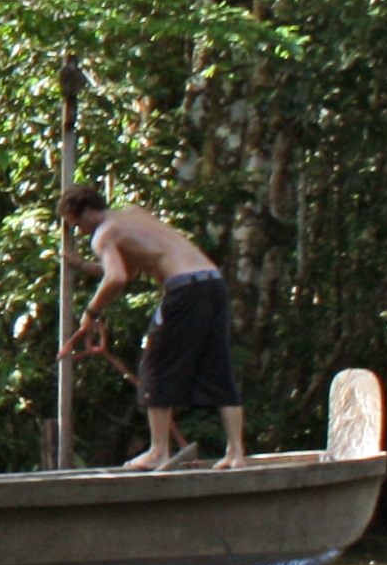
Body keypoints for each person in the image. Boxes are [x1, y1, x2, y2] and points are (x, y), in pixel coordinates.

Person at [58, 182, 247, 469]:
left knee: (155, 363)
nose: (80, 232)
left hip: (184, 290)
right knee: (217, 366)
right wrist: (82, 266)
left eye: (76, 225)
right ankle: (236, 453)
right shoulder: (134, 214)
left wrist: (91, 312)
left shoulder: (103, 234)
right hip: (212, 282)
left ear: (84, 213)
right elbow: (130, 269)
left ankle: (159, 449)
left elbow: (117, 279)